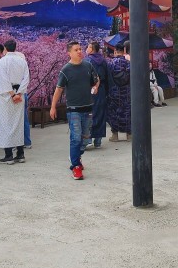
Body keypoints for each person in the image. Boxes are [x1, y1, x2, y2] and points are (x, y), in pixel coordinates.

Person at [50, 41, 101, 180]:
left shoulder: (88, 66)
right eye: (76, 49)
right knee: (75, 137)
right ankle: (76, 166)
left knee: (85, 138)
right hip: (73, 110)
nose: (79, 51)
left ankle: (76, 157)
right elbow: (59, 89)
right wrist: (53, 106)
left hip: (88, 107)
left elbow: (96, 79)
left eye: (80, 49)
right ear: (69, 53)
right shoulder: (65, 70)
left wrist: (96, 86)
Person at [0, 39, 30, 164]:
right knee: (18, 124)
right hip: (19, 95)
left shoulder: (2, 62)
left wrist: (12, 94)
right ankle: (20, 154)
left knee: (5, 124)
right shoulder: (22, 61)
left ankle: (8, 154)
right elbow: (26, 78)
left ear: (5, 48)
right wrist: (19, 93)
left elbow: (2, 80)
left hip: (7, 97)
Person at [6, 39, 33, 149]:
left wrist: (13, 94)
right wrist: (21, 92)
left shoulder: (5, 60)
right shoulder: (21, 58)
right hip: (22, 92)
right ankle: (26, 142)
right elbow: (26, 78)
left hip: (12, 92)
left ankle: (14, 143)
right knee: (24, 118)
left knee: (12, 119)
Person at [84, 41, 111, 148]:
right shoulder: (103, 61)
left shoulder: (88, 61)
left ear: (92, 49)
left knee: (90, 114)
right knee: (100, 114)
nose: (86, 48)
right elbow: (108, 76)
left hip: (91, 89)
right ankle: (98, 141)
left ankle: (89, 139)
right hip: (102, 89)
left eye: (88, 47)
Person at [107, 44, 132, 141]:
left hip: (114, 92)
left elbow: (107, 78)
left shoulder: (110, 63)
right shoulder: (128, 63)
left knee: (114, 113)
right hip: (127, 92)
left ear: (115, 51)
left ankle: (115, 135)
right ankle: (129, 135)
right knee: (127, 112)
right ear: (124, 51)